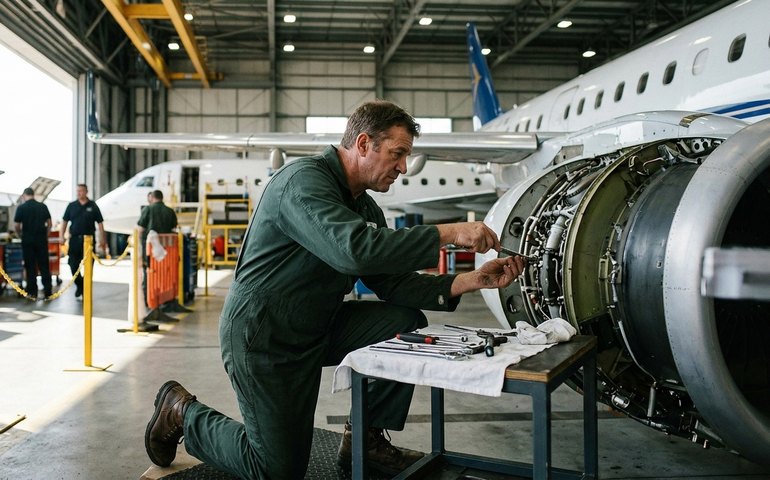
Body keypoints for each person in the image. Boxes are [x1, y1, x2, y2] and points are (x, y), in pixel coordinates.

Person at [144, 100, 526, 479]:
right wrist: (450, 232)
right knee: (276, 471)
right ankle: (181, 412)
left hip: (318, 326)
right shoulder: (302, 182)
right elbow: (353, 252)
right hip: (265, 336)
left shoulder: (365, 207)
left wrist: (475, 280)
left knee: (405, 324)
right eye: (397, 154)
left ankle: (365, 441)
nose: (403, 167)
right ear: (363, 144)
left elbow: (393, 282)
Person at [60, 184, 107, 299]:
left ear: (86, 192)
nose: (79, 193)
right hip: (75, 240)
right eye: (78, 191)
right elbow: (65, 221)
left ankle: (86, 289)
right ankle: (80, 285)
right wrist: (61, 236)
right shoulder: (71, 206)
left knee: (89, 266)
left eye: (81, 191)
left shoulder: (93, 205)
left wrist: (103, 239)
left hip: (89, 240)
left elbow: (100, 223)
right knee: (72, 264)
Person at [136, 189, 178, 305]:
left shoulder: (148, 209)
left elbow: (140, 229)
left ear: (152, 198)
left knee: (149, 273)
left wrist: (138, 246)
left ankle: (150, 300)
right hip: (167, 252)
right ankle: (165, 298)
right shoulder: (170, 211)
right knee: (166, 274)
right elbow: (174, 231)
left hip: (150, 251)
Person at [13, 187, 53, 299]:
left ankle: (32, 292)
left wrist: (21, 235)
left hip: (28, 241)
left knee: (30, 267)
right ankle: (48, 291)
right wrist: (46, 235)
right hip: (41, 241)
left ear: (24, 195)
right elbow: (49, 223)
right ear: (33, 194)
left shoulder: (21, 208)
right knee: (44, 266)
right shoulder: (42, 206)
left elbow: (16, 225)